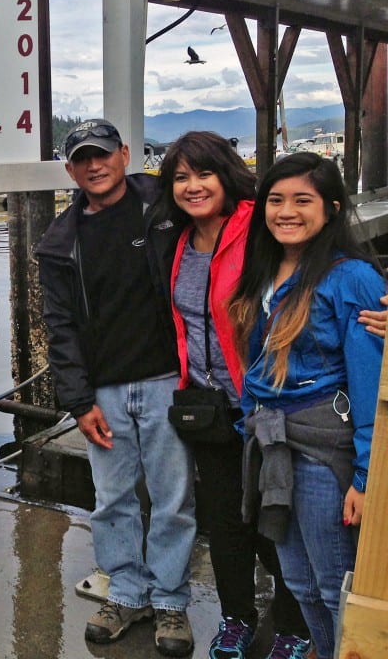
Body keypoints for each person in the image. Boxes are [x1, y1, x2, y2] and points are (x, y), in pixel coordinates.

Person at [35, 119, 196, 657]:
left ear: (126, 155)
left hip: (166, 381)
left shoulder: (167, 210)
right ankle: (127, 592)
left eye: (103, 154)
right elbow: (59, 327)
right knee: (111, 500)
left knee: (173, 500)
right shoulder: (59, 241)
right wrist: (78, 402)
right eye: (82, 158)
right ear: (70, 169)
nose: (94, 165)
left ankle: (170, 599)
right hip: (103, 392)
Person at [156, 132, 311, 659]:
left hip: (267, 407)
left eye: (203, 174)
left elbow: (319, 269)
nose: (193, 187)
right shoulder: (179, 241)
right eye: (180, 177)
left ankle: (294, 625)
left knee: (277, 522)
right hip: (209, 409)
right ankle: (236, 620)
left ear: (226, 174)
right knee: (223, 522)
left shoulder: (257, 228)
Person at [227, 153, 384, 659]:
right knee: (297, 580)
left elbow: (367, 384)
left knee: (336, 582)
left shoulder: (352, 278)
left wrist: (364, 476)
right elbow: (255, 362)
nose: (286, 211)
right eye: (275, 200)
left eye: (302, 200)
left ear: (332, 209)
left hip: (322, 451)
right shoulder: (265, 271)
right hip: (272, 440)